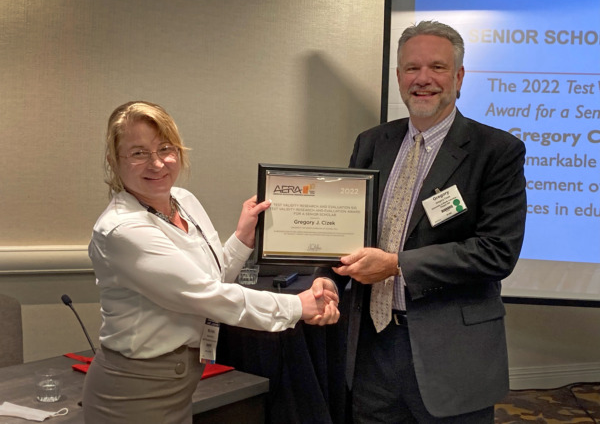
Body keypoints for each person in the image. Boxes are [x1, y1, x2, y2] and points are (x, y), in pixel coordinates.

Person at [317, 21, 527, 423]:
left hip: (452, 354)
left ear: (459, 76)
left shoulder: (497, 151)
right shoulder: (371, 142)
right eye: (411, 68)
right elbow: (346, 228)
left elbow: (497, 252)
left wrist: (397, 265)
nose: (423, 79)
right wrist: (325, 273)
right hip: (372, 349)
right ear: (398, 77)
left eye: (437, 67)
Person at [82, 101, 340, 423]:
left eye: (165, 148)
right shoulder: (123, 230)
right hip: (135, 391)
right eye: (138, 153)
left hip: (180, 381)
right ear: (114, 161)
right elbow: (206, 296)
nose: (158, 163)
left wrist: (243, 237)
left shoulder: (184, 200)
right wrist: (297, 307)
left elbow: (211, 278)